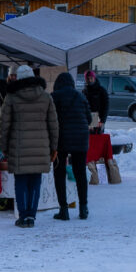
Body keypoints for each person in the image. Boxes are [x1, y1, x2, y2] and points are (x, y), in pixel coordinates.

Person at [0, 65, 59, 227]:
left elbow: (4, 124)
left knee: (20, 182)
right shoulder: (46, 97)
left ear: (17, 78)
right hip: (41, 148)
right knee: (35, 182)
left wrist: (4, 147)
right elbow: (54, 125)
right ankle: (31, 216)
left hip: (18, 148)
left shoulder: (11, 97)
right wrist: (54, 147)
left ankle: (23, 216)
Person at [50, 71, 91, 220]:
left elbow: (51, 119)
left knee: (59, 173)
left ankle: (64, 210)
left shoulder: (54, 97)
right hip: (81, 139)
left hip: (61, 139)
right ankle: (83, 208)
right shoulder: (80, 96)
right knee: (80, 173)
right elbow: (89, 118)